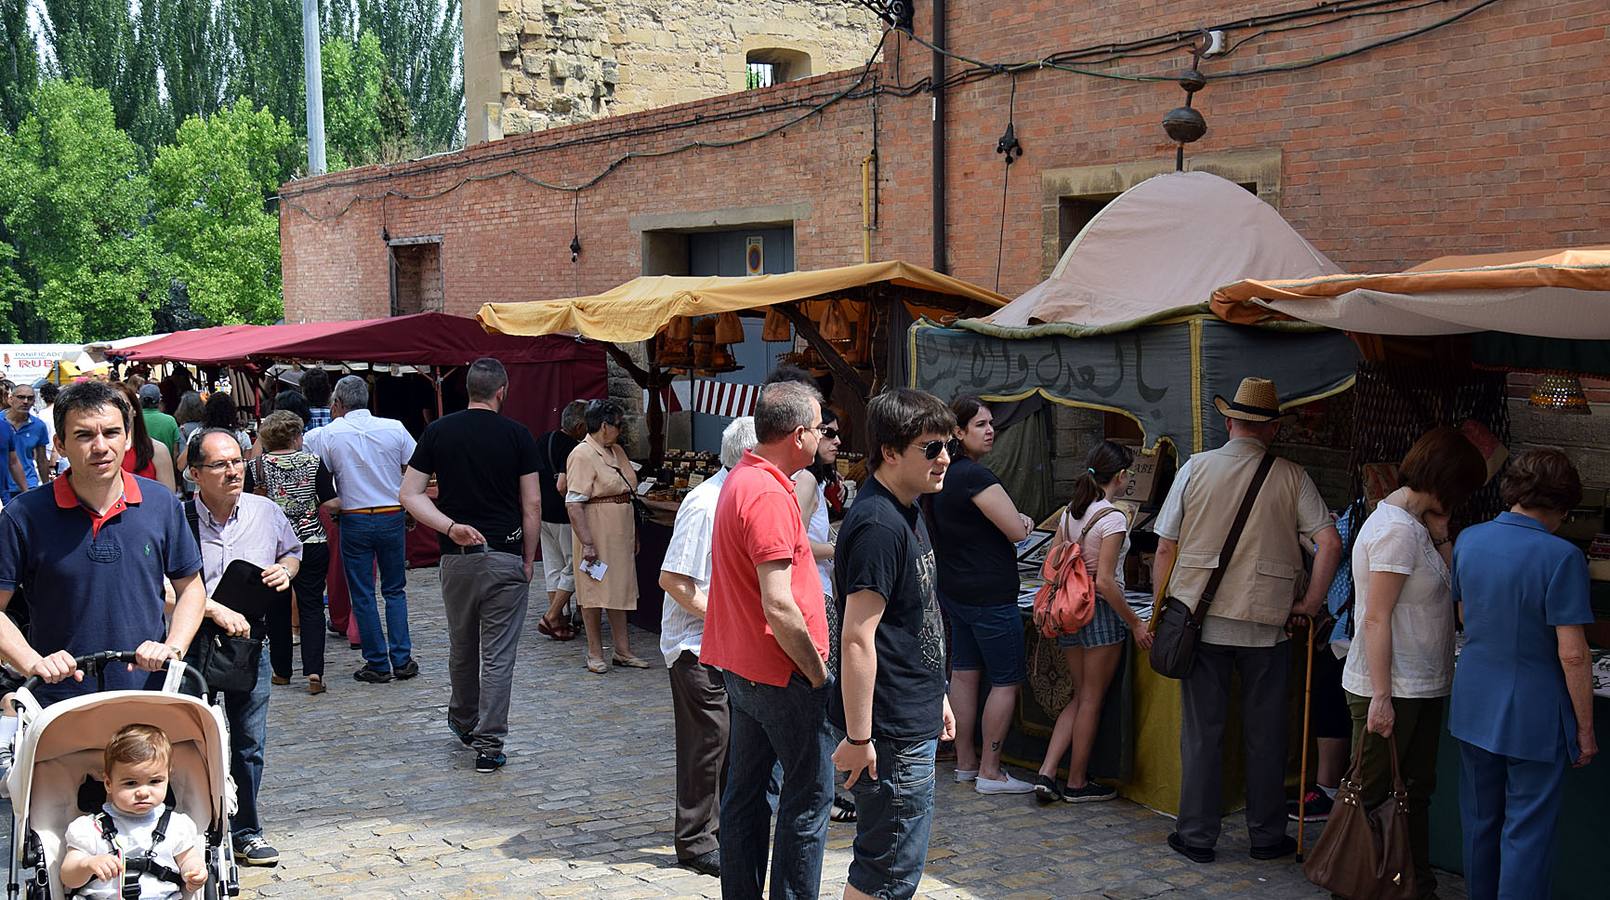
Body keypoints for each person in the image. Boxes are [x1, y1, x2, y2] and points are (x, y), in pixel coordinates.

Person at [1152, 376, 1342, 864]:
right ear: (1272, 428)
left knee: (1203, 733)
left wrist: (1158, 608)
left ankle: (1196, 836)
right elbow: (1330, 543)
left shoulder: (1196, 468)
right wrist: (1311, 602)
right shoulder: (1293, 476)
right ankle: (1265, 835)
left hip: (1202, 620)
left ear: (1230, 420)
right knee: (1267, 735)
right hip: (1267, 622)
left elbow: (1166, 546)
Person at [701, 380, 832, 900]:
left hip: (746, 665)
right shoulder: (769, 492)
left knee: (746, 793)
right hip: (779, 671)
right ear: (799, 435)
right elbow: (779, 604)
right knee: (807, 797)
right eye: (820, 429)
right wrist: (818, 674)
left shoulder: (743, 477)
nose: (823, 439)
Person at [1342, 426, 1486, 897]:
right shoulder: (1395, 532)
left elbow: (1445, 592)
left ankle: (1411, 882)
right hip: (1392, 685)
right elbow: (1376, 619)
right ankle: (1355, 883)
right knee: (1371, 793)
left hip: (1420, 683)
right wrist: (1381, 697)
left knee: (1412, 793)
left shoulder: (1417, 526)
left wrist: (1442, 533)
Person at [0, 380, 207, 706]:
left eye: (111, 433)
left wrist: (173, 647)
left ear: (127, 439)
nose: (100, 446)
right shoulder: (23, 515)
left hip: (150, 692)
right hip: (60, 701)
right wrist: (32, 663)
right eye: (84, 435)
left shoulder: (160, 504)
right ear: (61, 444)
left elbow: (191, 588)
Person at [1451, 448, 1598, 900]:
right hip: (1535, 710)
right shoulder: (1562, 557)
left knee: (1479, 822)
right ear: (1561, 505)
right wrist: (1585, 730)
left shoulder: (1468, 540)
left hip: (1473, 699)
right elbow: (1573, 654)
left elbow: (1463, 614)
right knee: (1527, 832)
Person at [831, 389, 957, 900]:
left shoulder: (906, 509)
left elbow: (913, 621)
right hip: (891, 731)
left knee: (889, 864)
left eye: (948, 445)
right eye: (931, 448)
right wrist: (860, 740)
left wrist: (938, 694)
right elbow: (858, 637)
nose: (945, 457)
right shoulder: (880, 524)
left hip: (912, 711)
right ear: (889, 451)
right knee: (886, 871)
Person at [401, 358, 541, 775]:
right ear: (502, 391)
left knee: (462, 645)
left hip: (456, 558)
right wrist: (529, 558)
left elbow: (410, 493)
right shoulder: (518, 435)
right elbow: (531, 504)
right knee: (498, 655)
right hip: (504, 555)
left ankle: (463, 720)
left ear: (468, 390)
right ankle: (490, 740)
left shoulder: (439, 431)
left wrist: (450, 526)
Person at [187, 427, 301, 868]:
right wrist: (212, 609)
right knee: (190, 738)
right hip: (191, 641)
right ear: (195, 473)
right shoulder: (178, 519)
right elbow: (165, 586)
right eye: (220, 464)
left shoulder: (265, 511)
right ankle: (191, 828)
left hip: (246, 640)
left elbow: (293, 552)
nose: (233, 471)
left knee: (249, 740)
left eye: (237, 461)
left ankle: (246, 831)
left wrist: (285, 570)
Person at [659, 416, 758, 879]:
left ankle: (721, 832)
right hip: (696, 646)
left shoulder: (739, 497)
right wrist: (729, 618)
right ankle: (696, 840)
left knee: (730, 743)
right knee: (707, 745)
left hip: (727, 644)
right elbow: (675, 581)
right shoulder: (705, 504)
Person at [1033, 440, 1156, 803]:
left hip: (1070, 612)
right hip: (1100, 612)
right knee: (1091, 699)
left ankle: (1046, 771)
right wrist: (1135, 622)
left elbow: (1054, 561)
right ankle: (1076, 781)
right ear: (1120, 476)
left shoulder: (1071, 512)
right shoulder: (1114, 518)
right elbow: (1104, 581)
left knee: (1079, 694)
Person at [931, 397, 1036, 794]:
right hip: (989, 595)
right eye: (980, 424)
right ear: (958, 432)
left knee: (966, 673)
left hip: (957, 590)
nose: (990, 430)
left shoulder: (941, 475)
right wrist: (1022, 519)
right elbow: (1017, 529)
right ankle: (990, 770)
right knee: (1005, 681)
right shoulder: (975, 477)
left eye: (992, 423)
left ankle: (965, 764)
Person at [304, 375, 418, 683]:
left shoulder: (326, 435)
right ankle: (402, 658)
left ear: (338, 404)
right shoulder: (394, 427)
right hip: (391, 513)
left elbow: (314, 468)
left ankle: (378, 662)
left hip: (354, 516)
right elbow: (416, 465)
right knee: (395, 590)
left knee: (363, 593)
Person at [245, 411, 338, 695]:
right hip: (311, 541)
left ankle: (282, 670)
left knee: (276, 610)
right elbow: (330, 501)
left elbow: (247, 504)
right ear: (297, 436)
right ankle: (314, 671)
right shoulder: (312, 462)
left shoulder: (257, 467)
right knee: (311, 607)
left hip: (272, 546)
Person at [61, 724, 207, 898]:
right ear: (108, 784)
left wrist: (194, 870)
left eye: (155, 781)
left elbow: (188, 858)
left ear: (168, 778)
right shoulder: (89, 828)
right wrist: (87, 864)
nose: (143, 792)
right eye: (131, 783)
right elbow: (68, 878)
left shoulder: (176, 826)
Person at [563, 399, 646, 673]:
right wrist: (587, 542)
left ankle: (622, 650)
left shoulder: (617, 451)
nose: (620, 430)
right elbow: (574, 502)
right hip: (596, 532)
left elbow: (627, 489)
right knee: (593, 592)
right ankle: (594, 652)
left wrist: (632, 534)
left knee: (619, 590)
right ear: (605, 425)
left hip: (619, 531)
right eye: (618, 425)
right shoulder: (582, 454)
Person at [534, 399, 587, 641]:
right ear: (579, 426)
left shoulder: (545, 439)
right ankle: (553, 616)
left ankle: (560, 621)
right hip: (564, 515)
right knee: (574, 566)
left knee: (553, 566)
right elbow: (563, 486)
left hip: (543, 513)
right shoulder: (575, 449)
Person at [115, 384, 177, 492]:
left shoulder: (158, 451)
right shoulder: (101, 454)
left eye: (124, 407)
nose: (120, 413)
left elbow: (168, 501)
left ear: (134, 410)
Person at [1, 382, 50, 501]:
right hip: (4, 485)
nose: (25, 401)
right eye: (21, 397)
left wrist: (46, 487)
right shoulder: (1, 423)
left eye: (30, 398)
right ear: (11, 399)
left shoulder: (38, 426)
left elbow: (42, 459)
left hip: (29, 484)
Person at [138, 383, 181, 460]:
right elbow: (176, 452)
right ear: (159, 400)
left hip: (138, 469)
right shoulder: (170, 421)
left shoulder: (134, 419)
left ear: (140, 400)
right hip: (165, 466)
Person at [39, 383, 66, 477]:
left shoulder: (41, 415)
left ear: (42, 396)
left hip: (47, 456)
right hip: (63, 455)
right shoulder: (63, 412)